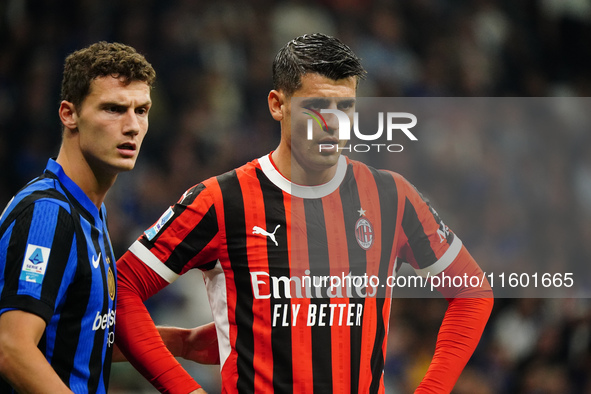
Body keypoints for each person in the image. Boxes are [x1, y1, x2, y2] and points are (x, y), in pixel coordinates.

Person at [115, 33, 494, 393]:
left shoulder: (392, 195)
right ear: (277, 105)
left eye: (345, 107)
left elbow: (473, 293)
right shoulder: (219, 200)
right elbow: (123, 287)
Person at [0, 41, 216, 394]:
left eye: (141, 110)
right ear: (69, 114)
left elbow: (77, 335)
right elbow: (12, 347)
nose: (132, 126)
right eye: (114, 109)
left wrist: (181, 344)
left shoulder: (89, 210)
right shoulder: (48, 213)